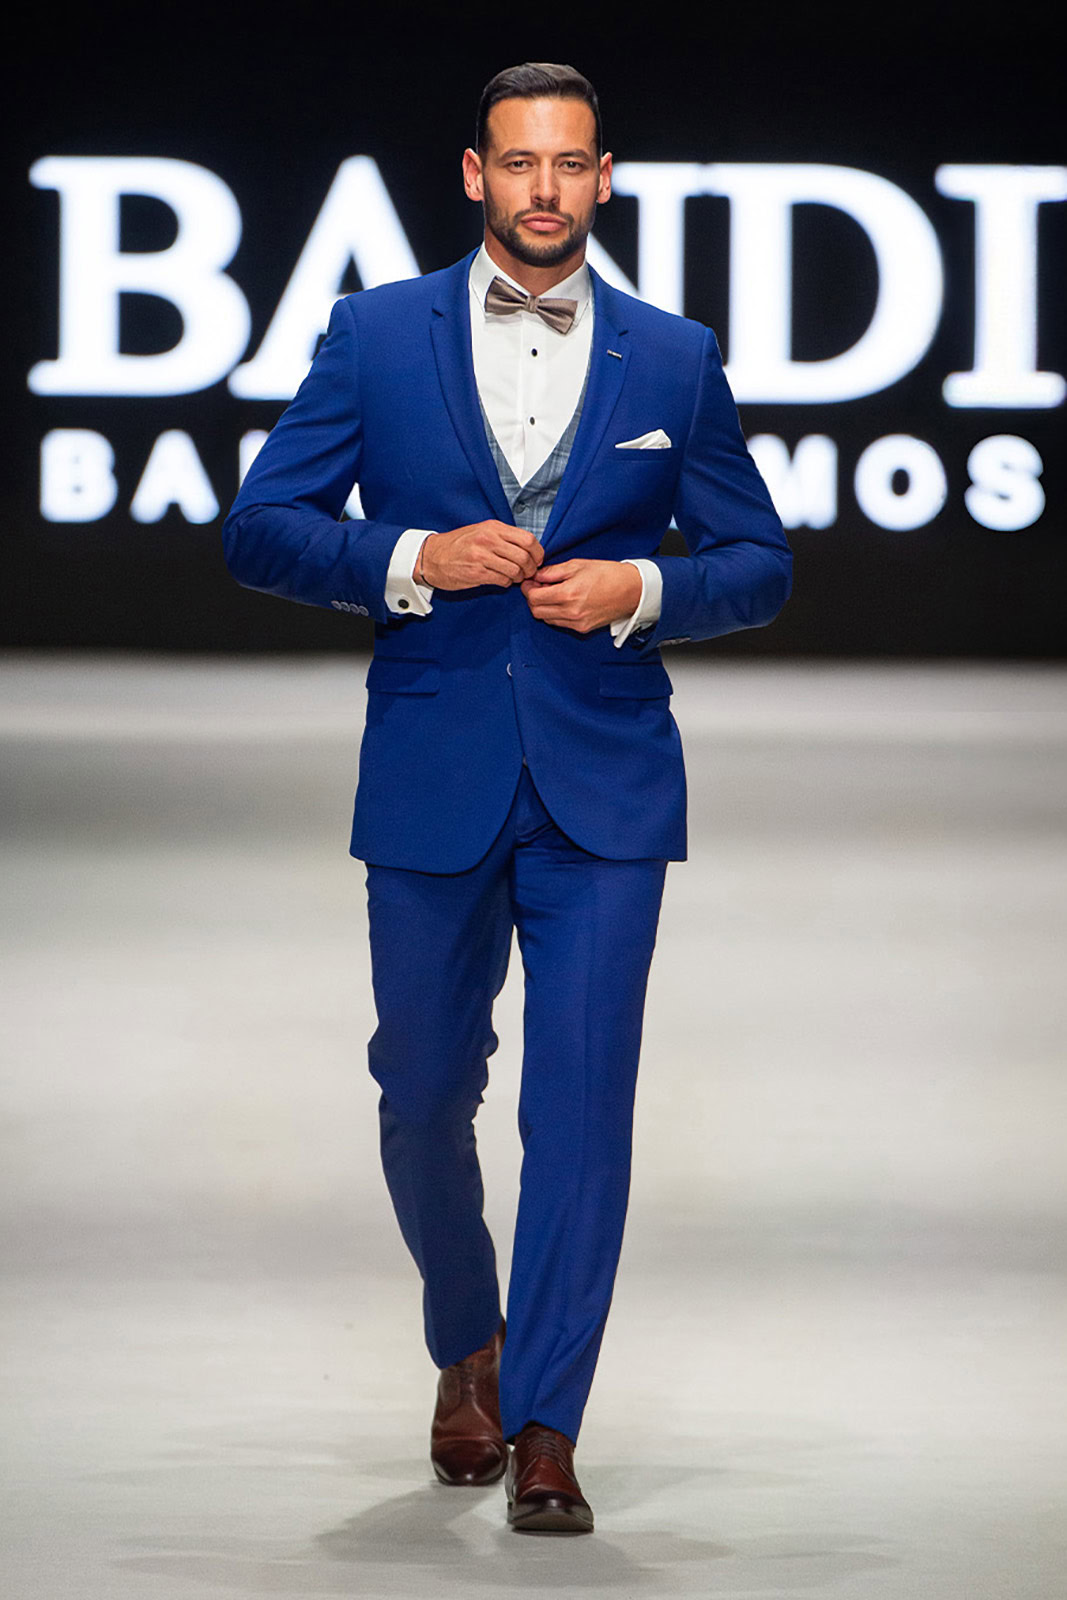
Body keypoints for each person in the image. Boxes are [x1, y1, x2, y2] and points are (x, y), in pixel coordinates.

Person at [223, 61, 791, 1536]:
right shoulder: (375, 334)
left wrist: (642, 587)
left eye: (571, 163)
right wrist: (410, 559)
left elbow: (761, 562)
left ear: (605, 179)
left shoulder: (674, 357)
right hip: (432, 769)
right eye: (521, 163)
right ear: (476, 174)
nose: (547, 188)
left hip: (607, 780)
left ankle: (547, 1423)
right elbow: (261, 527)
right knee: (422, 1091)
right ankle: (465, 1341)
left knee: (582, 1109)